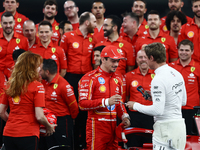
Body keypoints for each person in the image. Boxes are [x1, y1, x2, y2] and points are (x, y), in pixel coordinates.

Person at [127, 42, 187, 150]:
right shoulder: (177, 73)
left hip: (165, 129)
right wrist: (157, 97)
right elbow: (183, 101)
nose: (145, 60)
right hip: (180, 127)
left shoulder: (158, 79)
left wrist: (135, 105)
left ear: (151, 58)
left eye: (146, 57)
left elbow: (157, 110)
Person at [0, 51, 56, 150]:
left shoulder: (10, 84)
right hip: (28, 134)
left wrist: (14, 123)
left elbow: (1, 112)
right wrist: (49, 126)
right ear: (32, 68)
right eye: (39, 66)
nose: (40, 69)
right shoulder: (37, 86)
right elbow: (39, 116)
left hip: (8, 133)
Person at [78, 45, 130, 150]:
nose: (116, 64)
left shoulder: (118, 79)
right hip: (96, 127)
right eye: (113, 61)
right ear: (103, 59)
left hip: (113, 128)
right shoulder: (90, 78)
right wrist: (106, 102)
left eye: (118, 61)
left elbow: (119, 103)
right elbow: (82, 105)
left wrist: (125, 117)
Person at [60, 11, 97, 149]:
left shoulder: (93, 39)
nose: (95, 25)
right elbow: (62, 57)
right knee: (71, 110)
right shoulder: (68, 36)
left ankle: (83, 142)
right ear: (86, 22)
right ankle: (71, 143)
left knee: (84, 111)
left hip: (86, 79)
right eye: (93, 22)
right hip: (71, 77)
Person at [39, 59, 79, 150]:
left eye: (41, 70)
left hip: (60, 122)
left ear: (47, 72)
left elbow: (74, 107)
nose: (39, 72)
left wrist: (71, 120)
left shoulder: (64, 85)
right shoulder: (43, 82)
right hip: (45, 121)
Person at [169, 39, 200, 135]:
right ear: (178, 50)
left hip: (192, 110)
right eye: (181, 50)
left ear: (192, 51)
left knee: (191, 139)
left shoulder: (198, 67)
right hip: (174, 109)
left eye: (187, 50)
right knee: (174, 137)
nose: (183, 53)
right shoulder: (170, 67)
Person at [125, 49, 154, 147]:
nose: (143, 60)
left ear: (150, 59)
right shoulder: (128, 76)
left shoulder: (157, 75)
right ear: (136, 60)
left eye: (146, 57)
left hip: (150, 115)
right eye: (140, 57)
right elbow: (126, 97)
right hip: (134, 116)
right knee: (133, 144)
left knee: (149, 144)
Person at [0, 12, 29, 79]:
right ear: (1, 23)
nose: (8, 25)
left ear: (14, 23)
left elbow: (26, 61)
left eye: (10, 23)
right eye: (5, 23)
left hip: (16, 78)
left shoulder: (23, 40)